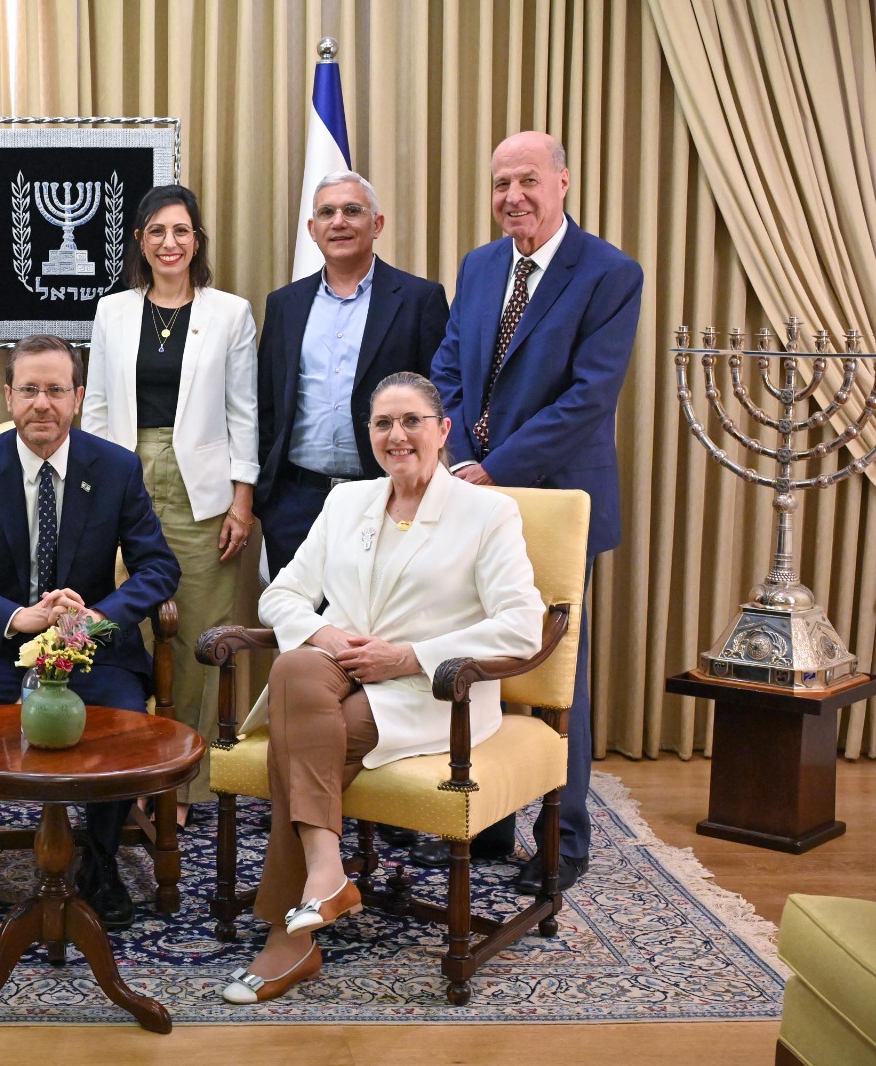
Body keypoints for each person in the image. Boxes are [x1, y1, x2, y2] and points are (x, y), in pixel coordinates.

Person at [220, 372, 543, 1004]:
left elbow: (523, 625)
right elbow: (281, 595)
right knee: (293, 668)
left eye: (412, 421)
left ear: (442, 430)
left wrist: (410, 656)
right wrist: (327, 635)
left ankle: (288, 940)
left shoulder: (488, 512)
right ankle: (327, 871)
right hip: (337, 667)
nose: (398, 435)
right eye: (383, 423)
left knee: (301, 740)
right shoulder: (347, 501)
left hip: (431, 689)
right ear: (369, 434)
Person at [426, 131, 643, 891]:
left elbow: (589, 397)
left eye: (527, 180)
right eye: (500, 183)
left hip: (555, 500)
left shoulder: (610, 273)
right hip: (472, 494)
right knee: (481, 661)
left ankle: (563, 842)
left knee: (556, 674)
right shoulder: (480, 265)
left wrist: (497, 468)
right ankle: (485, 826)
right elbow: (448, 367)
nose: (512, 196)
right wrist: (460, 460)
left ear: (563, 182)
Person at [0, 335, 180, 930]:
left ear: (78, 398)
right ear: (8, 396)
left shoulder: (116, 468)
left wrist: (97, 619)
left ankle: (101, 863)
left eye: (56, 390)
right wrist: (15, 617)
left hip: (91, 648)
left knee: (124, 721)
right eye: (30, 389)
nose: (43, 403)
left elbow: (159, 568)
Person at [83, 184, 254, 819]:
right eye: (156, 231)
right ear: (139, 241)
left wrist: (242, 501)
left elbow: (244, 412)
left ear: (197, 240)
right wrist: (93, 492)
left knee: (194, 637)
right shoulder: (112, 312)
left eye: (181, 231)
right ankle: (121, 771)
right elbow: (96, 406)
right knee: (117, 629)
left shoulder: (230, 314)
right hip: (122, 479)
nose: (169, 243)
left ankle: (180, 782)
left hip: (201, 491)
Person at [255, 170, 449, 578]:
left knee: (377, 614)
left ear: (377, 223)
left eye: (352, 210)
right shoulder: (284, 304)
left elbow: (437, 402)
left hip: (386, 496)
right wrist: (270, 500)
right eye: (327, 213)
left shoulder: (420, 300)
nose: (339, 221)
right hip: (296, 504)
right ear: (312, 229)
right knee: (297, 611)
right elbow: (267, 405)